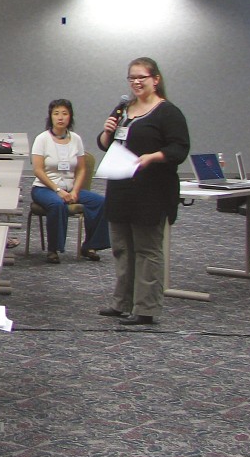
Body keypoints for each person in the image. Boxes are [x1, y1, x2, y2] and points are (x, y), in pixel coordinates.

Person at [96, 58, 189, 325]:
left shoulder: (167, 113)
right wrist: (106, 131)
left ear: (155, 79)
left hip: (151, 191)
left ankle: (145, 307)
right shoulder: (124, 109)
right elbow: (105, 144)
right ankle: (121, 302)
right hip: (121, 188)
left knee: (147, 249)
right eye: (132, 78)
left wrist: (153, 156)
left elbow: (179, 149)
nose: (136, 82)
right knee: (122, 248)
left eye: (141, 78)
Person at [31, 99, 110, 264]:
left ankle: (90, 245)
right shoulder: (42, 139)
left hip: (70, 188)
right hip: (45, 188)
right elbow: (38, 170)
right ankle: (54, 249)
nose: (60, 117)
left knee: (100, 202)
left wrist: (74, 191)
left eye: (64, 114)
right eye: (56, 114)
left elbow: (81, 169)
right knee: (57, 204)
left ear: (70, 117)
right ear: (50, 117)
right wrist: (58, 190)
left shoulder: (76, 139)